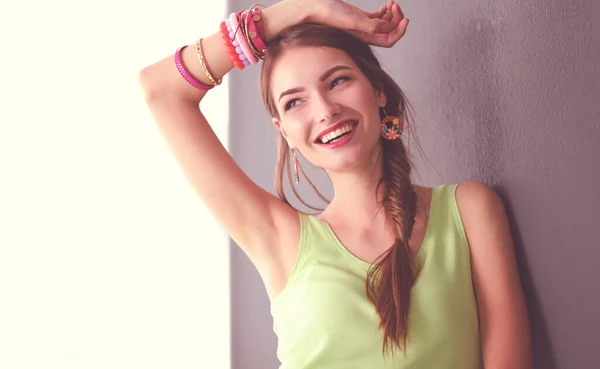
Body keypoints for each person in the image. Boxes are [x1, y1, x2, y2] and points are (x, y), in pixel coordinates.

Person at [139, 0, 533, 367]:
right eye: (295, 102)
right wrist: (304, 8)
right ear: (285, 133)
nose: (325, 110)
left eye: (338, 81)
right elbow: (162, 90)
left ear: (378, 91)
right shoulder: (278, 237)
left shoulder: (469, 211)